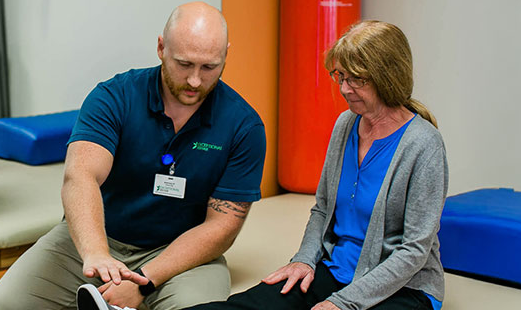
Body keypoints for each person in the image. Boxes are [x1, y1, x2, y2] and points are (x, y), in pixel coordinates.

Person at [0, 2, 267, 310]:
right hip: (101, 235)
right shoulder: (114, 97)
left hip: (180, 255)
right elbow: (81, 176)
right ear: (161, 47)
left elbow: (221, 228)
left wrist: (144, 280)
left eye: (209, 67)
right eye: (184, 64)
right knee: (2, 305)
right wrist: (96, 253)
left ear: (226, 54)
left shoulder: (243, 126)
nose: (195, 80)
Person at [179, 20, 448, 310]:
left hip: (403, 287)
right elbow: (322, 209)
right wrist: (305, 260)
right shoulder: (346, 125)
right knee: (247, 305)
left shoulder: (424, 144)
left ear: (387, 76)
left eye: (356, 79)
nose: (344, 89)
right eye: (340, 76)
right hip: (336, 270)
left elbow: (413, 251)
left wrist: (343, 303)